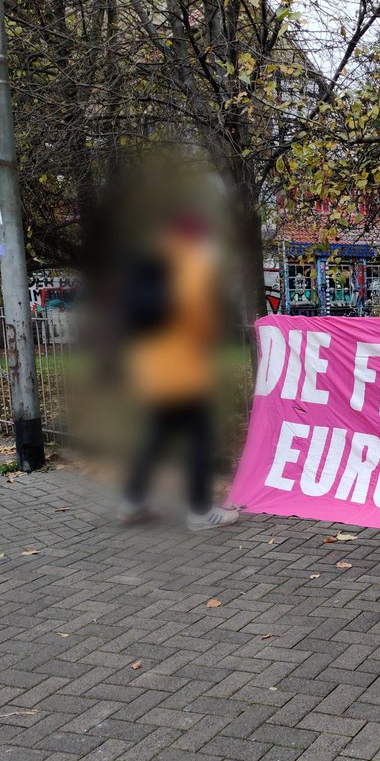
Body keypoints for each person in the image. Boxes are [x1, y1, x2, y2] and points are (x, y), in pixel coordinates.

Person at [115, 209, 240, 531]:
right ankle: (200, 512)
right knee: (201, 437)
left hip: (151, 368)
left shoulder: (147, 262)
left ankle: (133, 501)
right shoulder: (191, 263)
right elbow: (202, 320)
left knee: (159, 434)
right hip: (183, 369)